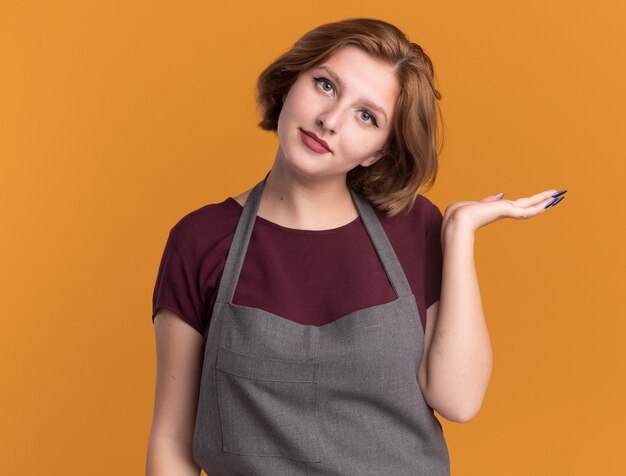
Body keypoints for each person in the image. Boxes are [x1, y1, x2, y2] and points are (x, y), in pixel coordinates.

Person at [145, 18, 567, 476]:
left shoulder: (413, 227)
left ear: (378, 151)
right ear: (291, 82)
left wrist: (458, 232)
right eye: (325, 85)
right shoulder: (201, 239)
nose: (329, 120)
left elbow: (459, 399)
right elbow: (172, 440)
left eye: (367, 116)